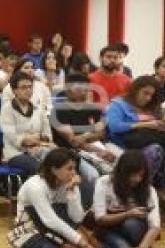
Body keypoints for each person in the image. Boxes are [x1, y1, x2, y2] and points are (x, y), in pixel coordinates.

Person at [8, 148, 125, 248]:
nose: (74, 173)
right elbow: (49, 220)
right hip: (33, 228)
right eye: (69, 168)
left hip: (59, 227)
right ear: (54, 170)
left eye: (75, 169)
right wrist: (82, 243)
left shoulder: (68, 183)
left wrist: (72, 191)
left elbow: (77, 218)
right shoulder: (35, 186)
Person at [106, 76, 165, 209]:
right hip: (126, 145)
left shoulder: (153, 107)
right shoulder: (118, 104)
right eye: (145, 93)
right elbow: (114, 127)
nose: (148, 98)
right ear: (135, 89)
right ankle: (142, 191)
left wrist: (164, 125)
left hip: (150, 140)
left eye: (151, 95)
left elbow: (160, 129)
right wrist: (146, 124)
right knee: (154, 149)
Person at [51, 73, 120, 208]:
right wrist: (96, 146)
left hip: (94, 146)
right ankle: (92, 208)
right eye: (79, 87)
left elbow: (101, 133)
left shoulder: (93, 108)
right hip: (70, 153)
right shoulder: (58, 111)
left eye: (86, 87)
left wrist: (85, 137)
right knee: (92, 174)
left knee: (120, 163)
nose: (84, 91)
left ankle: (113, 204)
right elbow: (73, 141)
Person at [0, 71, 53, 179]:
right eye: (23, 87)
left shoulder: (38, 109)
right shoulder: (7, 110)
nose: (28, 90)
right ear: (14, 90)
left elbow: (48, 135)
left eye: (30, 87)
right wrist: (31, 141)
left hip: (41, 149)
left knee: (64, 161)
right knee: (41, 168)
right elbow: (13, 139)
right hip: (16, 154)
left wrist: (36, 141)